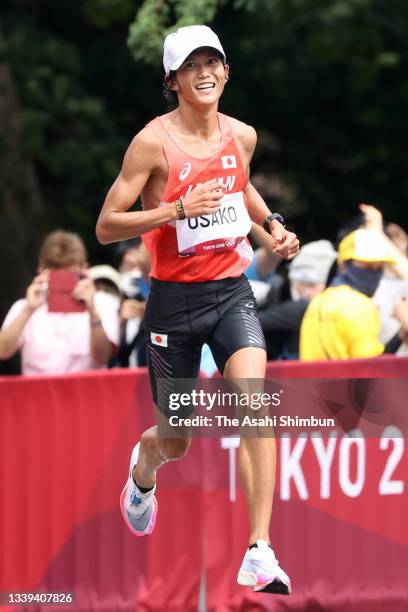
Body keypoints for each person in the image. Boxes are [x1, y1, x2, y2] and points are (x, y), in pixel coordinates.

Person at [96, 25, 299, 595]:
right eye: (191, 66)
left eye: (213, 61)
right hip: (173, 305)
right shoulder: (152, 144)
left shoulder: (242, 136)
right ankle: (142, 470)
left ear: (227, 72)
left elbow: (242, 190)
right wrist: (174, 209)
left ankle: (259, 550)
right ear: (173, 80)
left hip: (230, 292)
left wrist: (272, 228)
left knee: (255, 406)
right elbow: (107, 225)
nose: (204, 72)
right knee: (177, 438)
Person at [0, 230, 119, 375]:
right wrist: (28, 309)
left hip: (86, 394)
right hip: (38, 394)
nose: (63, 281)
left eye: (69, 273)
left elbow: (101, 358)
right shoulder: (24, 306)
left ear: (84, 269)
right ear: (41, 272)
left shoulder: (103, 303)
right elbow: (3, 351)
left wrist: (92, 310)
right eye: (56, 274)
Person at [299, 228, 408, 360]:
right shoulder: (361, 306)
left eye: (379, 267)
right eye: (367, 266)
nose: (374, 273)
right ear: (343, 265)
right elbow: (371, 368)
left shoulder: (318, 302)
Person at [259, 240, 337, 360]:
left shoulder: (301, 309)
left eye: (313, 285)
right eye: (309, 285)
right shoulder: (290, 303)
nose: (312, 293)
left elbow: (249, 324)